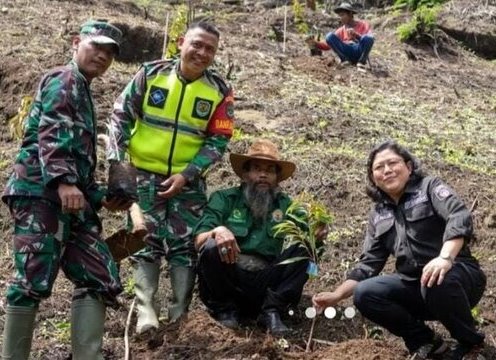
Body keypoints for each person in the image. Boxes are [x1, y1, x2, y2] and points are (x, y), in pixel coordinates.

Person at [1, 20, 131, 359]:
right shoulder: (65, 78)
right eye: (96, 47)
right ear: (77, 42)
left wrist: (102, 196)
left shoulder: (84, 90)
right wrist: (64, 181)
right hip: (42, 194)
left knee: (98, 272)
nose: (102, 56)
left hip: (71, 200)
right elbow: (53, 131)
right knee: (32, 278)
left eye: (109, 53)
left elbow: (77, 157)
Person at [107, 20, 235, 335]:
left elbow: (219, 140)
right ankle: (146, 314)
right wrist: (118, 165)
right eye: (197, 44)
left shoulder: (219, 90)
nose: (202, 53)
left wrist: (187, 174)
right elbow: (120, 115)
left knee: (184, 246)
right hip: (143, 176)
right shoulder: (151, 74)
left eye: (210, 49)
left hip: (187, 182)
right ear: (181, 42)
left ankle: (180, 315)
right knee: (144, 241)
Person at [313, 140, 486, 360]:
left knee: (436, 279)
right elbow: (368, 265)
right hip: (416, 285)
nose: (386, 170)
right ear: (372, 177)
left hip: (458, 277)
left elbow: (458, 215)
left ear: (409, 166)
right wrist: (336, 296)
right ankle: (426, 341)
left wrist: (445, 257)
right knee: (365, 293)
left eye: (392, 163)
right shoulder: (378, 214)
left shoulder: (429, 187)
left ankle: (470, 343)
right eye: (378, 167)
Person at [195, 139, 313, 336]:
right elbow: (198, 240)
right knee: (210, 247)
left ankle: (272, 311)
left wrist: (316, 231)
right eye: (257, 168)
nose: (263, 175)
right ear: (245, 174)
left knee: (305, 250)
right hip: (230, 277)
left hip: (266, 283)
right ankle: (225, 310)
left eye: (270, 170)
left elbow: (310, 234)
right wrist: (217, 231)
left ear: (277, 178)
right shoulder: (224, 199)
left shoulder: (287, 206)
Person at [306, 2, 375, 70]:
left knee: (368, 38)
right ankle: (345, 60)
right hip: (347, 52)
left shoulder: (363, 25)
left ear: (350, 14)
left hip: (359, 50)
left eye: (342, 15)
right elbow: (327, 44)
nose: (340, 18)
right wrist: (315, 43)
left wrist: (357, 35)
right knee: (329, 36)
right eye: (339, 16)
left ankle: (361, 62)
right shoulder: (341, 30)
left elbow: (370, 38)